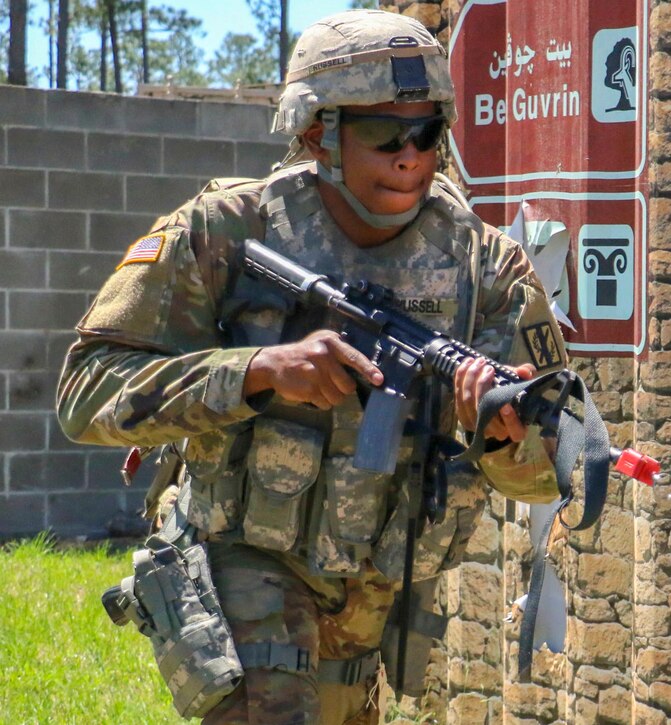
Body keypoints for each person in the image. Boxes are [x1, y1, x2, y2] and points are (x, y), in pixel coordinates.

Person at [56, 9, 567, 724]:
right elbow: (86, 390)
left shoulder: (487, 267)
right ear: (316, 132)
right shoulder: (226, 231)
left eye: (428, 133)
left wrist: (501, 435)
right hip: (244, 560)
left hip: (371, 595)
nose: (410, 156)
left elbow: (546, 469)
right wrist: (257, 371)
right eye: (385, 133)